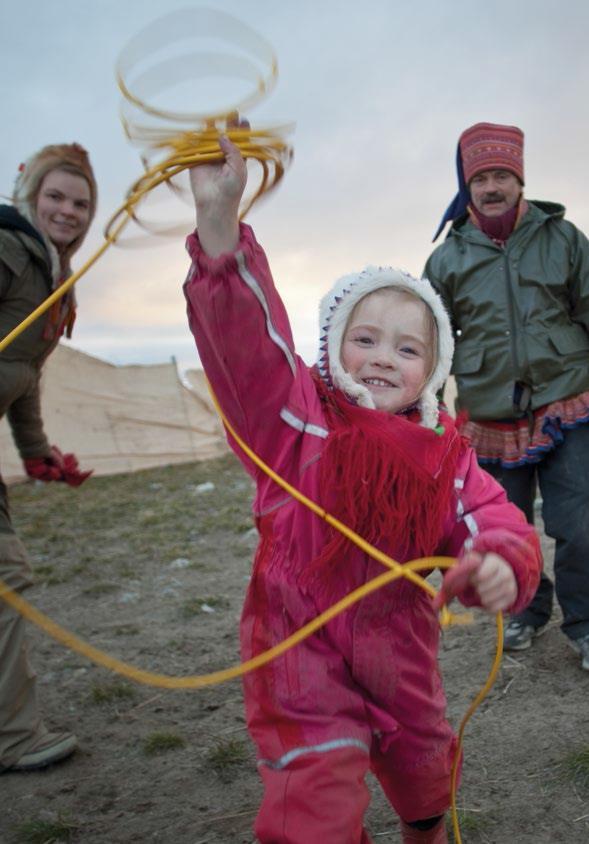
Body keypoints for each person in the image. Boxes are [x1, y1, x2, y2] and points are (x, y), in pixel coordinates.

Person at [181, 135, 541, 844]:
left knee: (424, 769)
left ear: (433, 370)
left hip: (398, 644)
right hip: (296, 647)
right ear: (331, 346)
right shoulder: (291, 422)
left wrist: (501, 561)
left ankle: (425, 830)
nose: (382, 358)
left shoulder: (445, 457)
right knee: (312, 802)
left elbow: (491, 518)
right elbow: (247, 347)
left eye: (408, 349)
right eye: (364, 339)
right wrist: (220, 227)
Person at [424, 122, 589, 670]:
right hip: (489, 409)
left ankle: (585, 623)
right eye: (482, 178)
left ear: (519, 179)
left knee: (579, 520)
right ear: (468, 186)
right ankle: (526, 611)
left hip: (568, 397)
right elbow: (433, 340)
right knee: (506, 523)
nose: (492, 187)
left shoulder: (563, 238)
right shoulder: (446, 259)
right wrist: (425, 407)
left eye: (502, 175)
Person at [0, 143, 96, 772]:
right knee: (6, 581)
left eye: (81, 202)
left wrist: (36, 454)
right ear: (31, 193)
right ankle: (11, 738)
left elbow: (23, 371)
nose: (68, 210)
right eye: (56, 195)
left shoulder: (50, 270)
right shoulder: (9, 249)